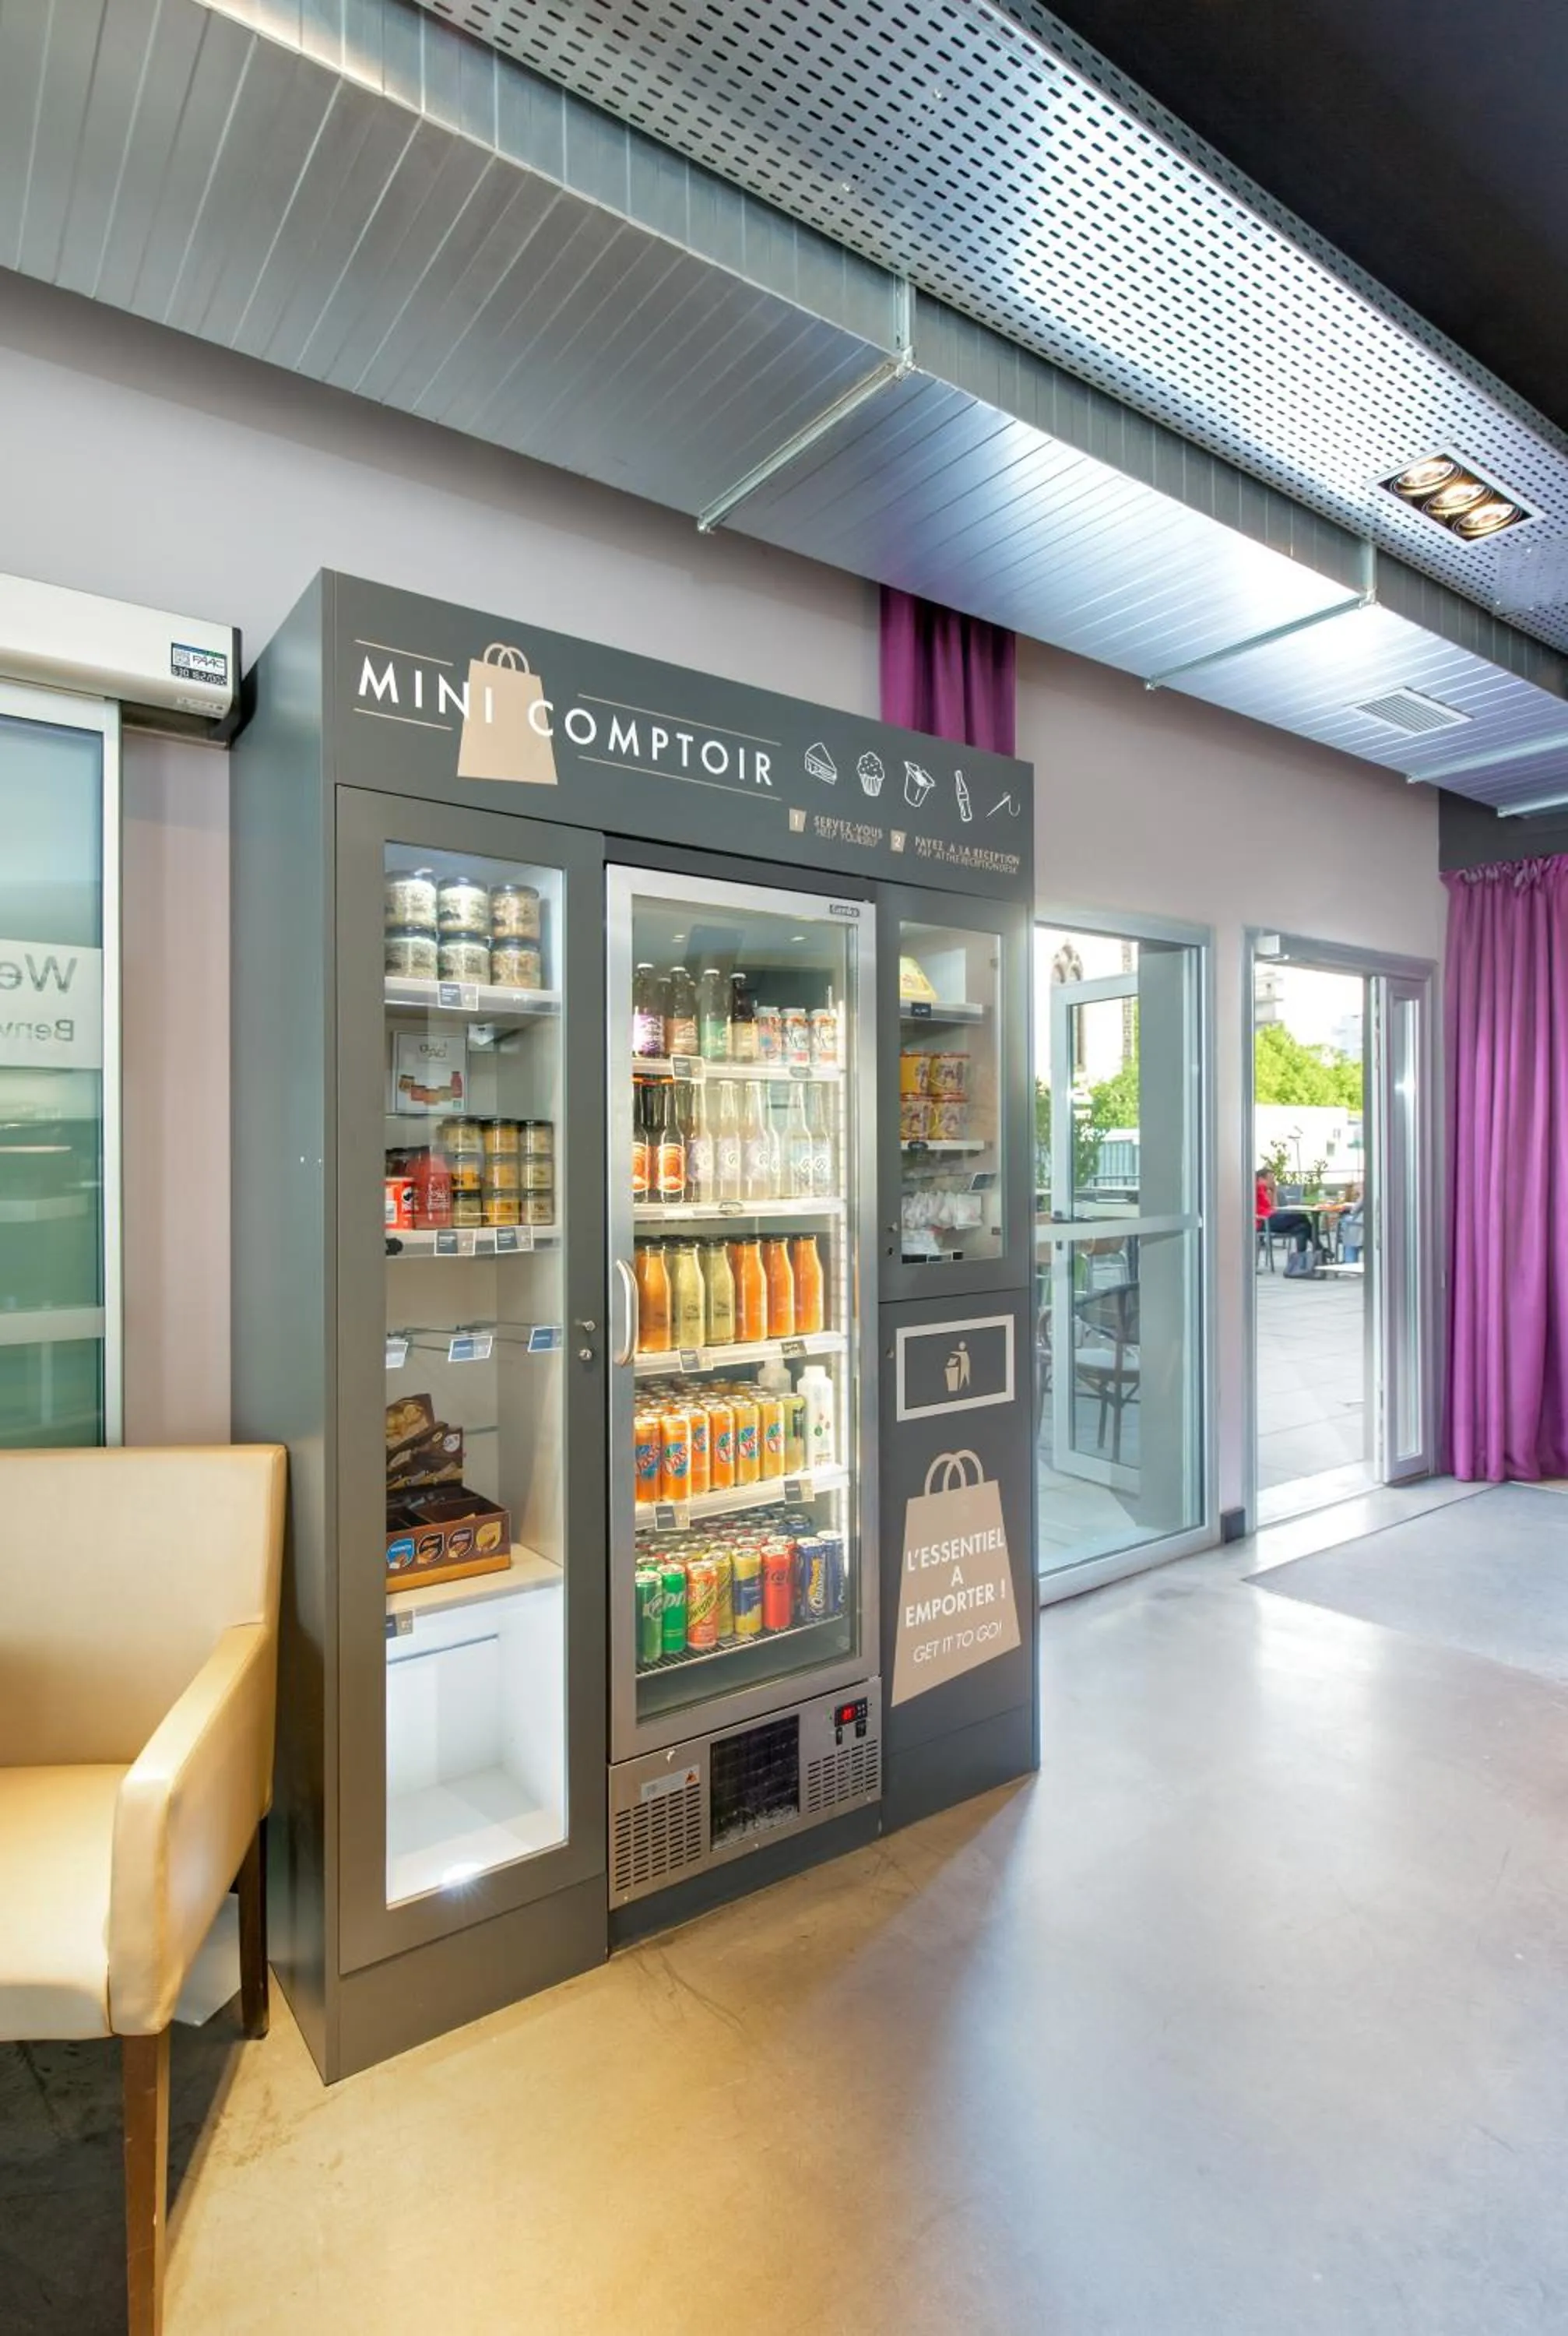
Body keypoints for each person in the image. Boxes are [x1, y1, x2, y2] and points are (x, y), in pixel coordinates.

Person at [1256, 1168, 1316, 1276]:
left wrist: (1274, 1191)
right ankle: (1319, 1250)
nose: (1272, 1182)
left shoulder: (1264, 1190)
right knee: (1302, 1217)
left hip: (1273, 1218)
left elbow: (1275, 1207)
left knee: (1302, 1228)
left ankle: (1300, 1264)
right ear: (1260, 1179)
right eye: (1270, 1179)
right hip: (1264, 1222)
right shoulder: (1256, 1188)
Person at [1338, 1182, 1364, 1265]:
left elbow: (1354, 1210)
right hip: (1362, 1222)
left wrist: (1361, 1194)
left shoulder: (1364, 1196)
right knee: (1346, 1222)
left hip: (1360, 1223)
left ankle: (1350, 1261)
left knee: (1346, 1223)